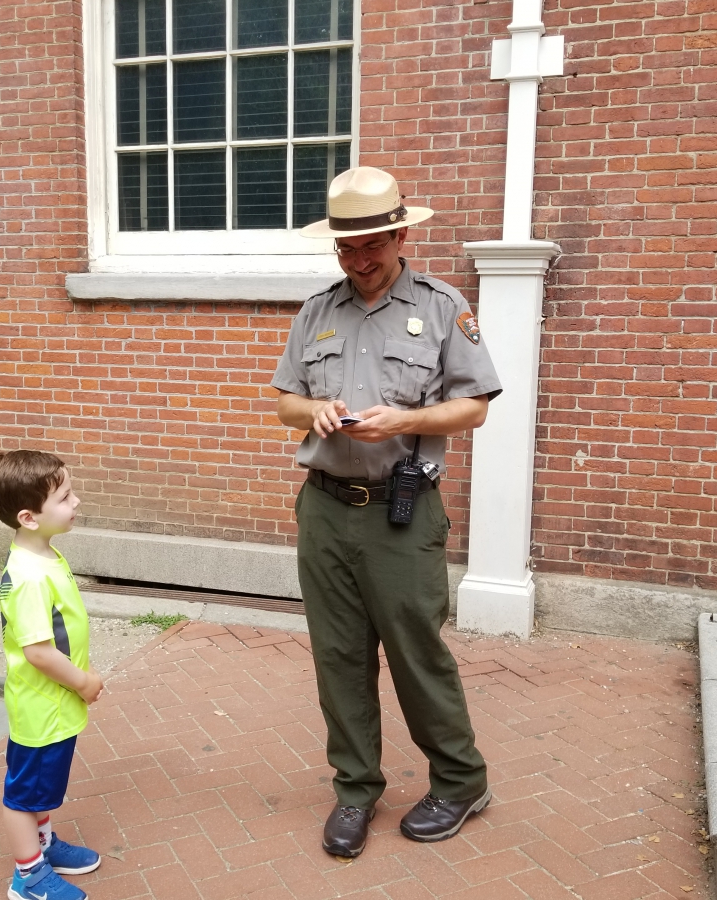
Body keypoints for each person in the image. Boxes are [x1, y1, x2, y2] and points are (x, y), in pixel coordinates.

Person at [271, 167, 502, 858]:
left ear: (401, 234)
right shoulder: (317, 311)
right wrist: (312, 409)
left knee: (415, 655)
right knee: (338, 657)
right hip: (325, 510)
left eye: (372, 243)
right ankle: (354, 791)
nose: (359, 259)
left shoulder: (440, 306)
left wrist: (405, 418)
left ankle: (461, 781)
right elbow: (284, 399)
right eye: (346, 247)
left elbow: (477, 405)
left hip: (402, 515)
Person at [0, 450, 105, 900]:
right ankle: (28, 878)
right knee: (24, 796)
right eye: (66, 497)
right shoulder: (30, 576)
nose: (77, 502)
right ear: (30, 517)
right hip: (41, 707)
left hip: (53, 704)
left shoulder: (44, 555)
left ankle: (43, 846)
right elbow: (38, 652)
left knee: (41, 789)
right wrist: (84, 682)